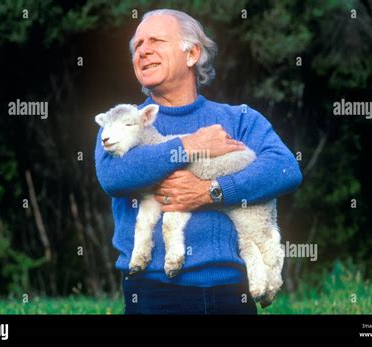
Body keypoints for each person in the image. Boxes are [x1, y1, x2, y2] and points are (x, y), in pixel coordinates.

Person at [94, 9, 302, 314]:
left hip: (231, 292)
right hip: (152, 293)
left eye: (155, 40)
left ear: (192, 53)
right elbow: (115, 176)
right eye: (137, 45)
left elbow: (283, 169)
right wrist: (190, 145)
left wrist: (212, 191)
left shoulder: (239, 118)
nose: (143, 50)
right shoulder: (123, 123)